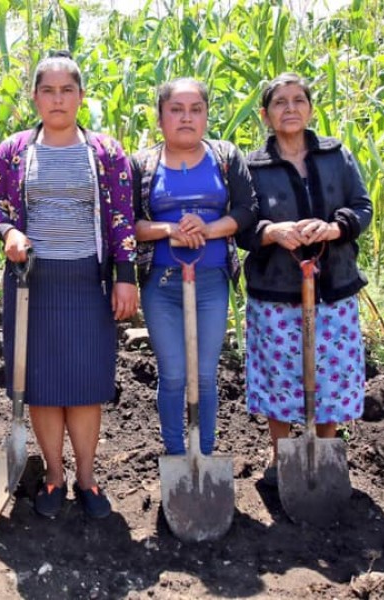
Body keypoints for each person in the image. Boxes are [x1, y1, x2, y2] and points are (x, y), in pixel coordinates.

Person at [0, 51, 138, 520]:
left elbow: (122, 219)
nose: (57, 99)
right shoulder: (13, 152)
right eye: (47, 90)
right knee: (43, 385)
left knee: (87, 384)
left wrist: (125, 276)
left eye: (66, 89)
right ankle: (53, 476)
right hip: (32, 282)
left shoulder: (106, 153)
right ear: (34, 97)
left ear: (80, 96)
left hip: (88, 281)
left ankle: (87, 479)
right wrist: (9, 232)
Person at [238, 73, 372, 486]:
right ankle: (282, 459)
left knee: (331, 378)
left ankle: (325, 453)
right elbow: (242, 225)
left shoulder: (336, 155)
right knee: (279, 376)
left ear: (311, 109)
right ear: (265, 115)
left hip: (333, 285)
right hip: (276, 291)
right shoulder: (251, 165)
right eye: (280, 102)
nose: (290, 108)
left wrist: (334, 229)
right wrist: (273, 233)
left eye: (298, 100)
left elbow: (361, 207)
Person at [131, 78, 257, 458]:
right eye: (176, 110)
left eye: (195, 110)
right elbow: (128, 224)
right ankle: (174, 454)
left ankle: (203, 452)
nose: (186, 118)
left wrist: (207, 229)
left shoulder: (225, 156)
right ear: (160, 117)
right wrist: (171, 230)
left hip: (211, 281)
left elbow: (247, 209)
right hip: (162, 284)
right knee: (172, 374)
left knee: (204, 375)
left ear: (205, 115)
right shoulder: (142, 165)